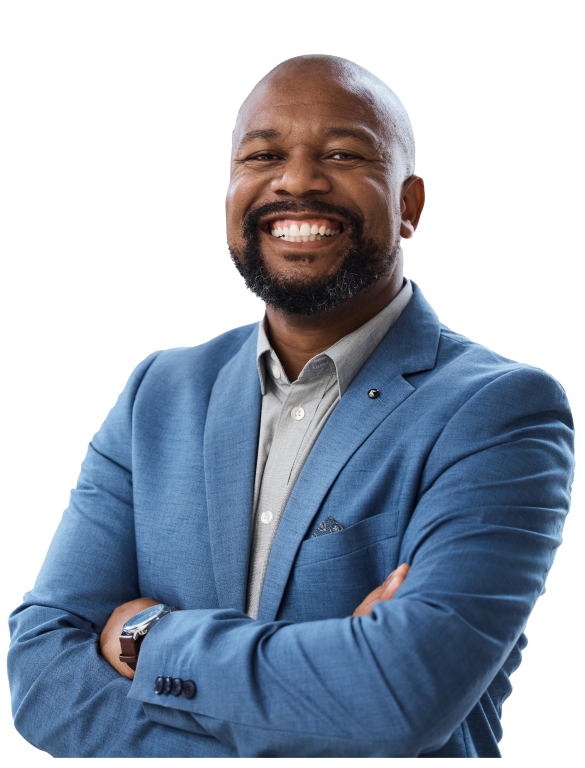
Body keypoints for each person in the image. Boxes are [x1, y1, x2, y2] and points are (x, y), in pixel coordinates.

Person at [7, 55, 574, 759]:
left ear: (407, 206)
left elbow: (398, 697)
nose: (297, 180)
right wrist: (328, 681)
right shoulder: (160, 390)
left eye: (342, 153)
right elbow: (41, 675)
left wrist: (147, 637)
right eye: (263, 154)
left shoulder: (498, 412)